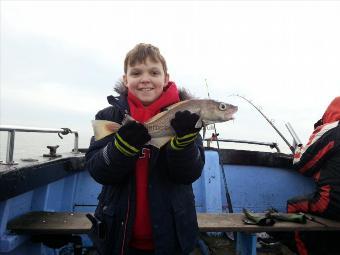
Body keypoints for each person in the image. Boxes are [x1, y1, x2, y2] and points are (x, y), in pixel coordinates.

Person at [85, 43, 205, 255]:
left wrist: (183, 144)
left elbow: (189, 174)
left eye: (154, 72)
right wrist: (121, 148)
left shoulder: (187, 116)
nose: (145, 79)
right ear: (126, 79)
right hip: (117, 237)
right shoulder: (108, 117)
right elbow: (97, 170)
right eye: (136, 72)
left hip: (172, 238)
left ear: (166, 78)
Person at [286, 96, 340, 255]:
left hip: (332, 205)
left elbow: (303, 165)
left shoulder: (332, 131)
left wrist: (298, 152)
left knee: (293, 205)